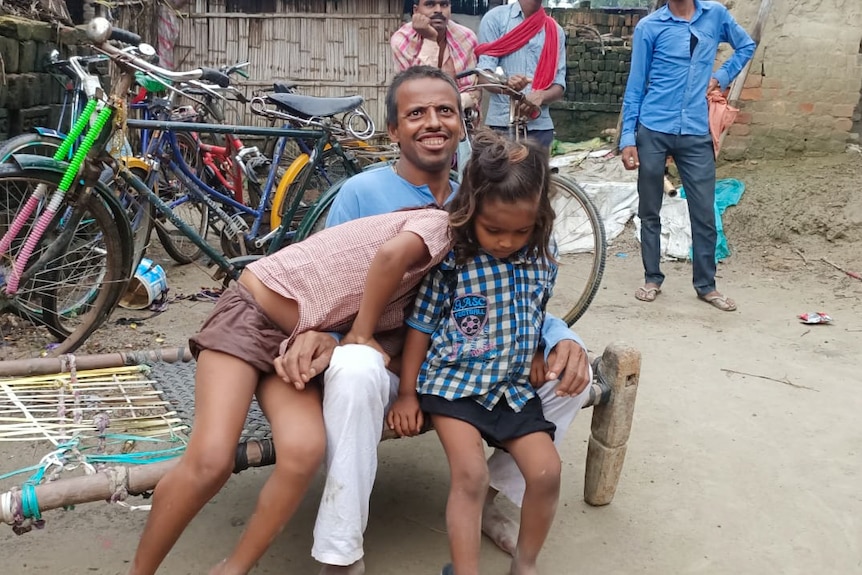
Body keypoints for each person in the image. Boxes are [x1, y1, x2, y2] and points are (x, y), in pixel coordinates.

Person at [281, 66, 592, 575]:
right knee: (356, 370)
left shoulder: (492, 184)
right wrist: (329, 335)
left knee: (573, 377)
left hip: (481, 354)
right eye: (416, 113)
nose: (433, 123)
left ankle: (494, 498)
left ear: (463, 121)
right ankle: (341, 554)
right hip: (389, 358)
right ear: (393, 130)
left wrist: (559, 337)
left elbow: (526, 287)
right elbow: (322, 282)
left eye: (445, 111)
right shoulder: (360, 194)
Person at [126, 207, 454, 575]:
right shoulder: (440, 225)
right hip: (252, 316)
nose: (507, 242)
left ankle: (234, 568)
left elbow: (398, 350)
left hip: (296, 342)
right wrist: (359, 335)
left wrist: (346, 344)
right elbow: (390, 257)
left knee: (304, 450)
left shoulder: (455, 282)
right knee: (211, 461)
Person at [391, 130, 562, 575]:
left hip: (512, 388)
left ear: (539, 220)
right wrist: (408, 394)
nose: (506, 241)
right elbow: (420, 326)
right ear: (471, 210)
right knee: (470, 476)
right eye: (494, 229)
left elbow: (537, 309)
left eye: (521, 230)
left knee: (546, 473)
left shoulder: (543, 257)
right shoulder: (454, 258)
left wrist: (541, 346)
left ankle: (525, 564)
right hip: (453, 385)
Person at [620, 0, 755, 311]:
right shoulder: (650, 27)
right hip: (653, 126)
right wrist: (628, 137)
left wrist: (721, 77)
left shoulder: (716, 15)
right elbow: (636, 84)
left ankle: (706, 285)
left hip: (695, 130)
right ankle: (652, 278)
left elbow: (746, 45)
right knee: (649, 207)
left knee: (704, 210)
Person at [475, 0, 567, 149]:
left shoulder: (555, 31)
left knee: (536, 173)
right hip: (501, 126)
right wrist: (506, 86)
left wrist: (541, 96)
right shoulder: (495, 19)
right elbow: (483, 74)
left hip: (540, 128)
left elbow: (559, 85)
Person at [390, 0, 481, 111]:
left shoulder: (466, 38)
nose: (438, 10)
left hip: (459, 116)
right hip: (417, 114)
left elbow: (474, 91)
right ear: (416, 10)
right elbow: (419, 89)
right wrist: (430, 39)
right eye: (430, 4)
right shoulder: (402, 40)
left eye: (444, 5)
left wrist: (455, 103)